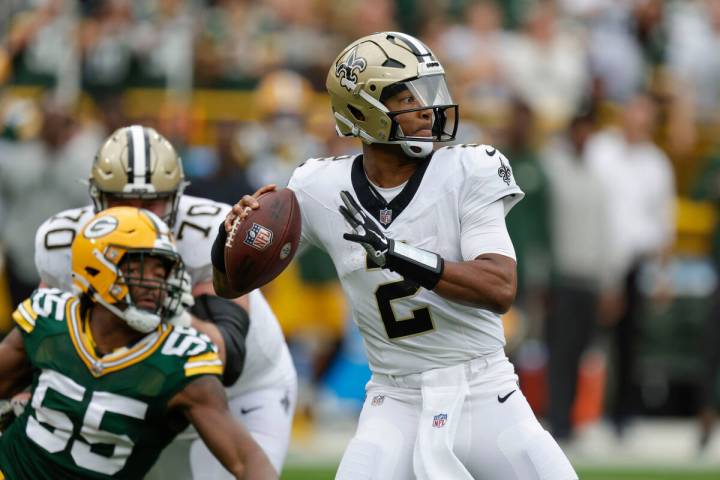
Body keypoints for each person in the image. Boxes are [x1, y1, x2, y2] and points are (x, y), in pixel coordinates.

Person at [213, 32, 577, 479]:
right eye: (408, 97)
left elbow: (499, 287)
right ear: (363, 110)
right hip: (394, 398)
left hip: (483, 388)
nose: (427, 109)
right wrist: (231, 240)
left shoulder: (470, 169)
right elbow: (232, 284)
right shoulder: (317, 186)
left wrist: (397, 254)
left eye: (430, 92)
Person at [33, 126, 296, 478]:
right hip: (146, 397)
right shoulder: (63, 243)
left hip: (241, 392)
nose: (137, 215)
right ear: (97, 199)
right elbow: (40, 339)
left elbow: (228, 356)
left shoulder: (208, 233)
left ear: (176, 199)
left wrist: (167, 315)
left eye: (150, 202)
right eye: (122, 202)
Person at [0, 207, 276, 479]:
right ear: (97, 269)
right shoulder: (51, 319)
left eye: (162, 272)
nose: (155, 284)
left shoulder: (179, 362)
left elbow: (248, 461)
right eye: (142, 268)